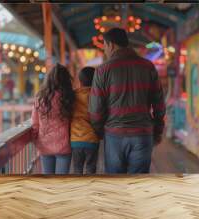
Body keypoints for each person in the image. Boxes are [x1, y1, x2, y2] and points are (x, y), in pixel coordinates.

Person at [89, 28, 165, 174]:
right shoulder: (148, 67)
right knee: (138, 183)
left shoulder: (102, 70)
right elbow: (159, 103)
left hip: (114, 134)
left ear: (111, 45)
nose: (105, 50)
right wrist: (157, 130)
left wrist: (99, 132)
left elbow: (96, 109)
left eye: (104, 46)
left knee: (116, 184)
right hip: (142, 134)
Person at [31, 64, 75, 174]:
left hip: (45, 144)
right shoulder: (69, 97)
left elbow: (35, 123)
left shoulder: (40, 98)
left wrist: (36, 140)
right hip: (64, 145)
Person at [70, 67, 100, 174]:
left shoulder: (72, 96)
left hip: (75, 140)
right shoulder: (96, 96)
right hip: (92, 139)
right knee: (91, 169)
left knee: (77, 170)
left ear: (79, 81)